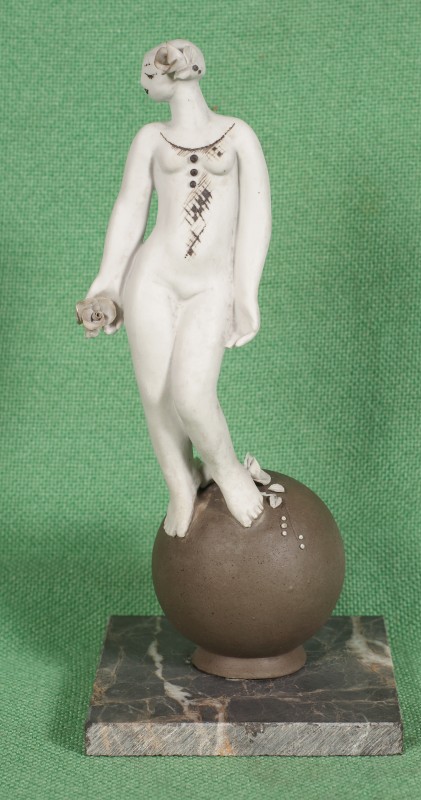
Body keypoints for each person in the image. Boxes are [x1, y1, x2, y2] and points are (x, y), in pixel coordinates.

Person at [84, 39, 272, 537]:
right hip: (153, 278)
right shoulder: (150, 138)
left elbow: (257, 215)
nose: (142, 83)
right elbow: (129, 209)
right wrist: (108, 284)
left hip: (210, 285)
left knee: (191, 394)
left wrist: (246, 292)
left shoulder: (238, 135)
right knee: (156, 393)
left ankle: (226, 469)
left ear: (177, 73)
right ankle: (180, 481)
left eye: (148, 73)